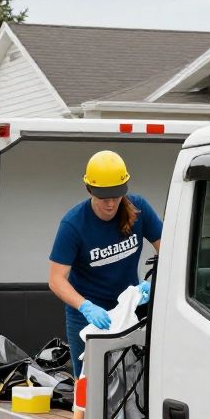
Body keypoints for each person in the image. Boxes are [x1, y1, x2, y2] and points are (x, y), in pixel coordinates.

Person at [48, 150, 161, 375]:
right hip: (89, 317)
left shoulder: (138, 210)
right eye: (103, 198)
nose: (110, 204)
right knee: (90, 383)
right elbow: (56, 279)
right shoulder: (73, 224)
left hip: (129, 310)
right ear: (90, 190)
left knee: (131, 378)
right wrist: (85, 307)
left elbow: (169, 251)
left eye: (116, 196)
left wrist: (155, 282)